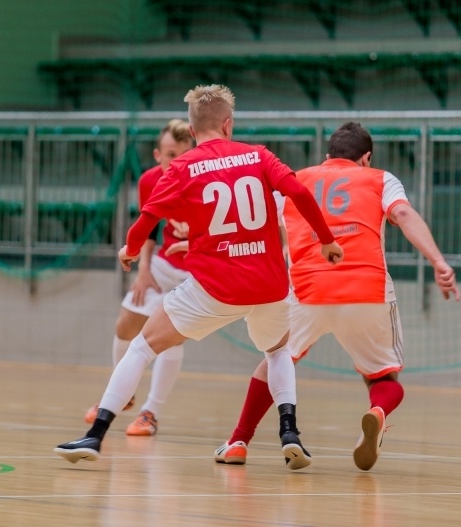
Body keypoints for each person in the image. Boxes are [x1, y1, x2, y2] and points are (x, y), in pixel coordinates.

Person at [54, 84, 343, 468]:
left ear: (191, 131)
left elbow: (147, 219)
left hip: (216, 287)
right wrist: (326, 241)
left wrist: (131, 249)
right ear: (228, 124)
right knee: (276, 351)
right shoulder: (258, 155)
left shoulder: (183, 166)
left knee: (142, 347)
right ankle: (290, 432)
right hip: (269, 284)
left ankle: (95, 435)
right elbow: (300, 195)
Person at [213, 122, 460, 471]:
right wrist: (438, 261)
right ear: (367, 157)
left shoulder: (295, 178)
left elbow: (252, 222)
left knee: (276, 360)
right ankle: (376, 412)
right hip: (366, 291)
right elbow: (402, 213)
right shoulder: (379, 178)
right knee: (383, 378)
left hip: (306, 291)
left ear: (327, 157)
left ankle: (239, 440)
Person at [83, 119, 193, 437]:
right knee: (125, 324)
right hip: (164, 261)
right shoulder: (149, 181)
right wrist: (143, 269)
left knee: (170, 337)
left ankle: (150, 413)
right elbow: (148, 228)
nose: (177, 161)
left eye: (184, 154)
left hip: (197, 268)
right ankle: (125, 394)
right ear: (158, 155)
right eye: (171, 154)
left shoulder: (202, 179)